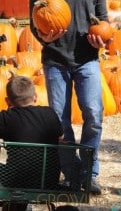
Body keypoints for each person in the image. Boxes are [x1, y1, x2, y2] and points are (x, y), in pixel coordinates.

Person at [29, 0, 110, 195]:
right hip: (55, 61)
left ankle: (89, 173)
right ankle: (73, 174)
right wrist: (45, 37)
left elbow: (104, 19)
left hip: (87, 59)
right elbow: (34, 25)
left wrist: (103, 38)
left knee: (94, 115)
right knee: (61, 123)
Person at [0, 75, 63, 211]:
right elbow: (61, 136)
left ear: (7, 101)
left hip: (14, 180)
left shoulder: (5, 118)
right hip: (48, 181)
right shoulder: (50, 114)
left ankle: (16, 206)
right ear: (35, 96)